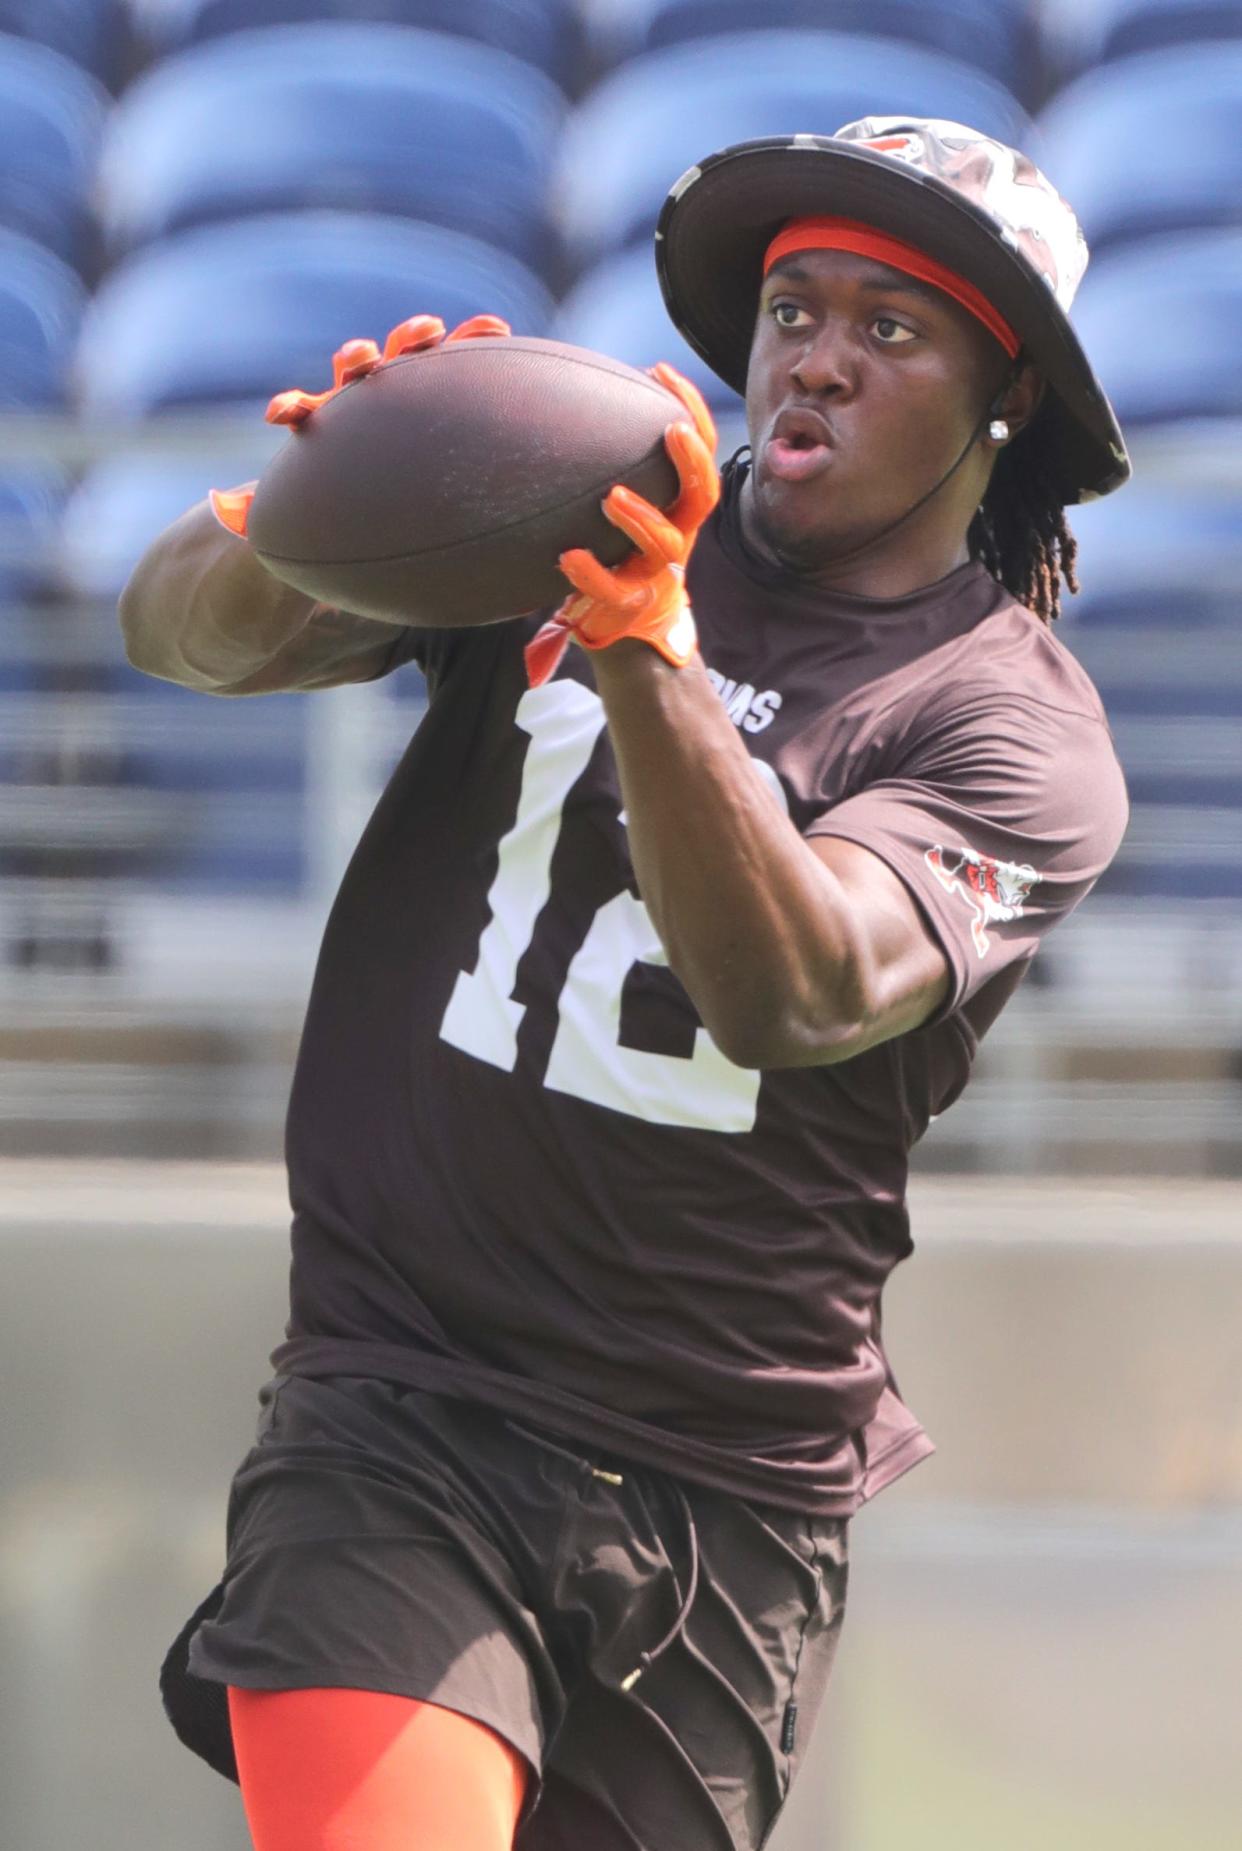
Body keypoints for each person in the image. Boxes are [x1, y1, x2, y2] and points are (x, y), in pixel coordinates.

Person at [125, 117, 1131, 1851]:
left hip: (723, 1477)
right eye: (793, 307)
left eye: (890, 331)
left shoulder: (1013, 729)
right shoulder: (568, 509)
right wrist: (314, 503)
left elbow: (799, 994)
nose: (814, 355)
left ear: (1004, 395)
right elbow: (176, 636)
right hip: (402, 1395)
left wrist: (649, 657)